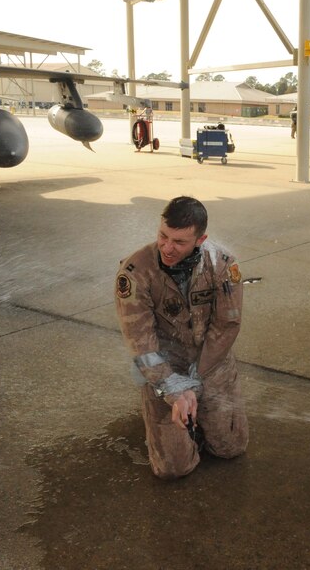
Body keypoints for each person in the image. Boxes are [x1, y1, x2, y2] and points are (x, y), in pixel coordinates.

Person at [115, 196, 248, 479]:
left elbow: (227, 325)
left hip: (211, 365)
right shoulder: (135, 272)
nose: (167, 247)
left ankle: (201, 421)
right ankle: (169, 421)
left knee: (230, 448)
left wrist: (195, 378)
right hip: (164, 369)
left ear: (200, 240)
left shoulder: (223, 265)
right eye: (163, 236)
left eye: (179, 242)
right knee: (173, 469)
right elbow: (141, 341)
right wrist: (174, 388)